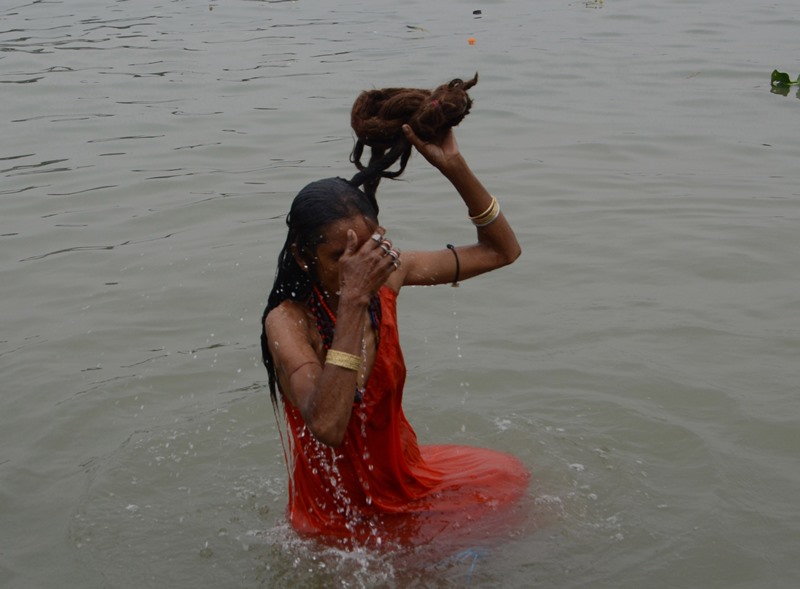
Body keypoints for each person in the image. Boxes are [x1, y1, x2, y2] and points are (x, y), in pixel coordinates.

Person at [261, 76, 529, 548]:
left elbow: (502, 251)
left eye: (370, 250)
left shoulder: (390, 272)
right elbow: (327, 425)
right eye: (340, 259)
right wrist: (353, 302)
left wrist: (454, 167)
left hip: (403, 475)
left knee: (512, 481)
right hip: (334, 507)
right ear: (305, 258)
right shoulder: (287, 320)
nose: (360, 267)